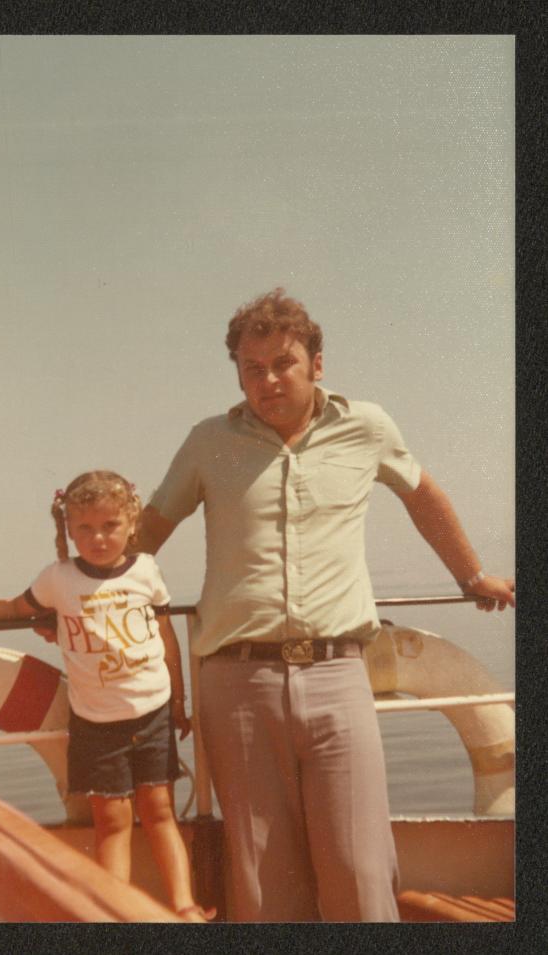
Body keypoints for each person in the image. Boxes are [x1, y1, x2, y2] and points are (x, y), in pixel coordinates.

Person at [136, 288, 515, 923]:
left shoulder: (367, 426)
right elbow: (145, 535)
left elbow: (422, 495)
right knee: (261, 883)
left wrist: (471, 574)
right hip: (235, 682)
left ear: (317, 364)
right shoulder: (208, 442)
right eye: (251, 368)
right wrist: (73, 590)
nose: (267, 380)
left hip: (339, 676)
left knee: (361, 871)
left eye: (282, 363)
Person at [0, 470, 215, 922]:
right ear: (69, 530)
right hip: (95, 722)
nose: (98, 537)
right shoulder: (58, 578)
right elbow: (11, 607)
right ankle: (113, 912)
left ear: (132, 523)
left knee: (159, 813)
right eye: (85, 528)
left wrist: (177, 704)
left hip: (150, 714)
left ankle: (184, 905)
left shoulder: (147, 571)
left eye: (110, 525)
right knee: (111, 823)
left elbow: (167, 639)